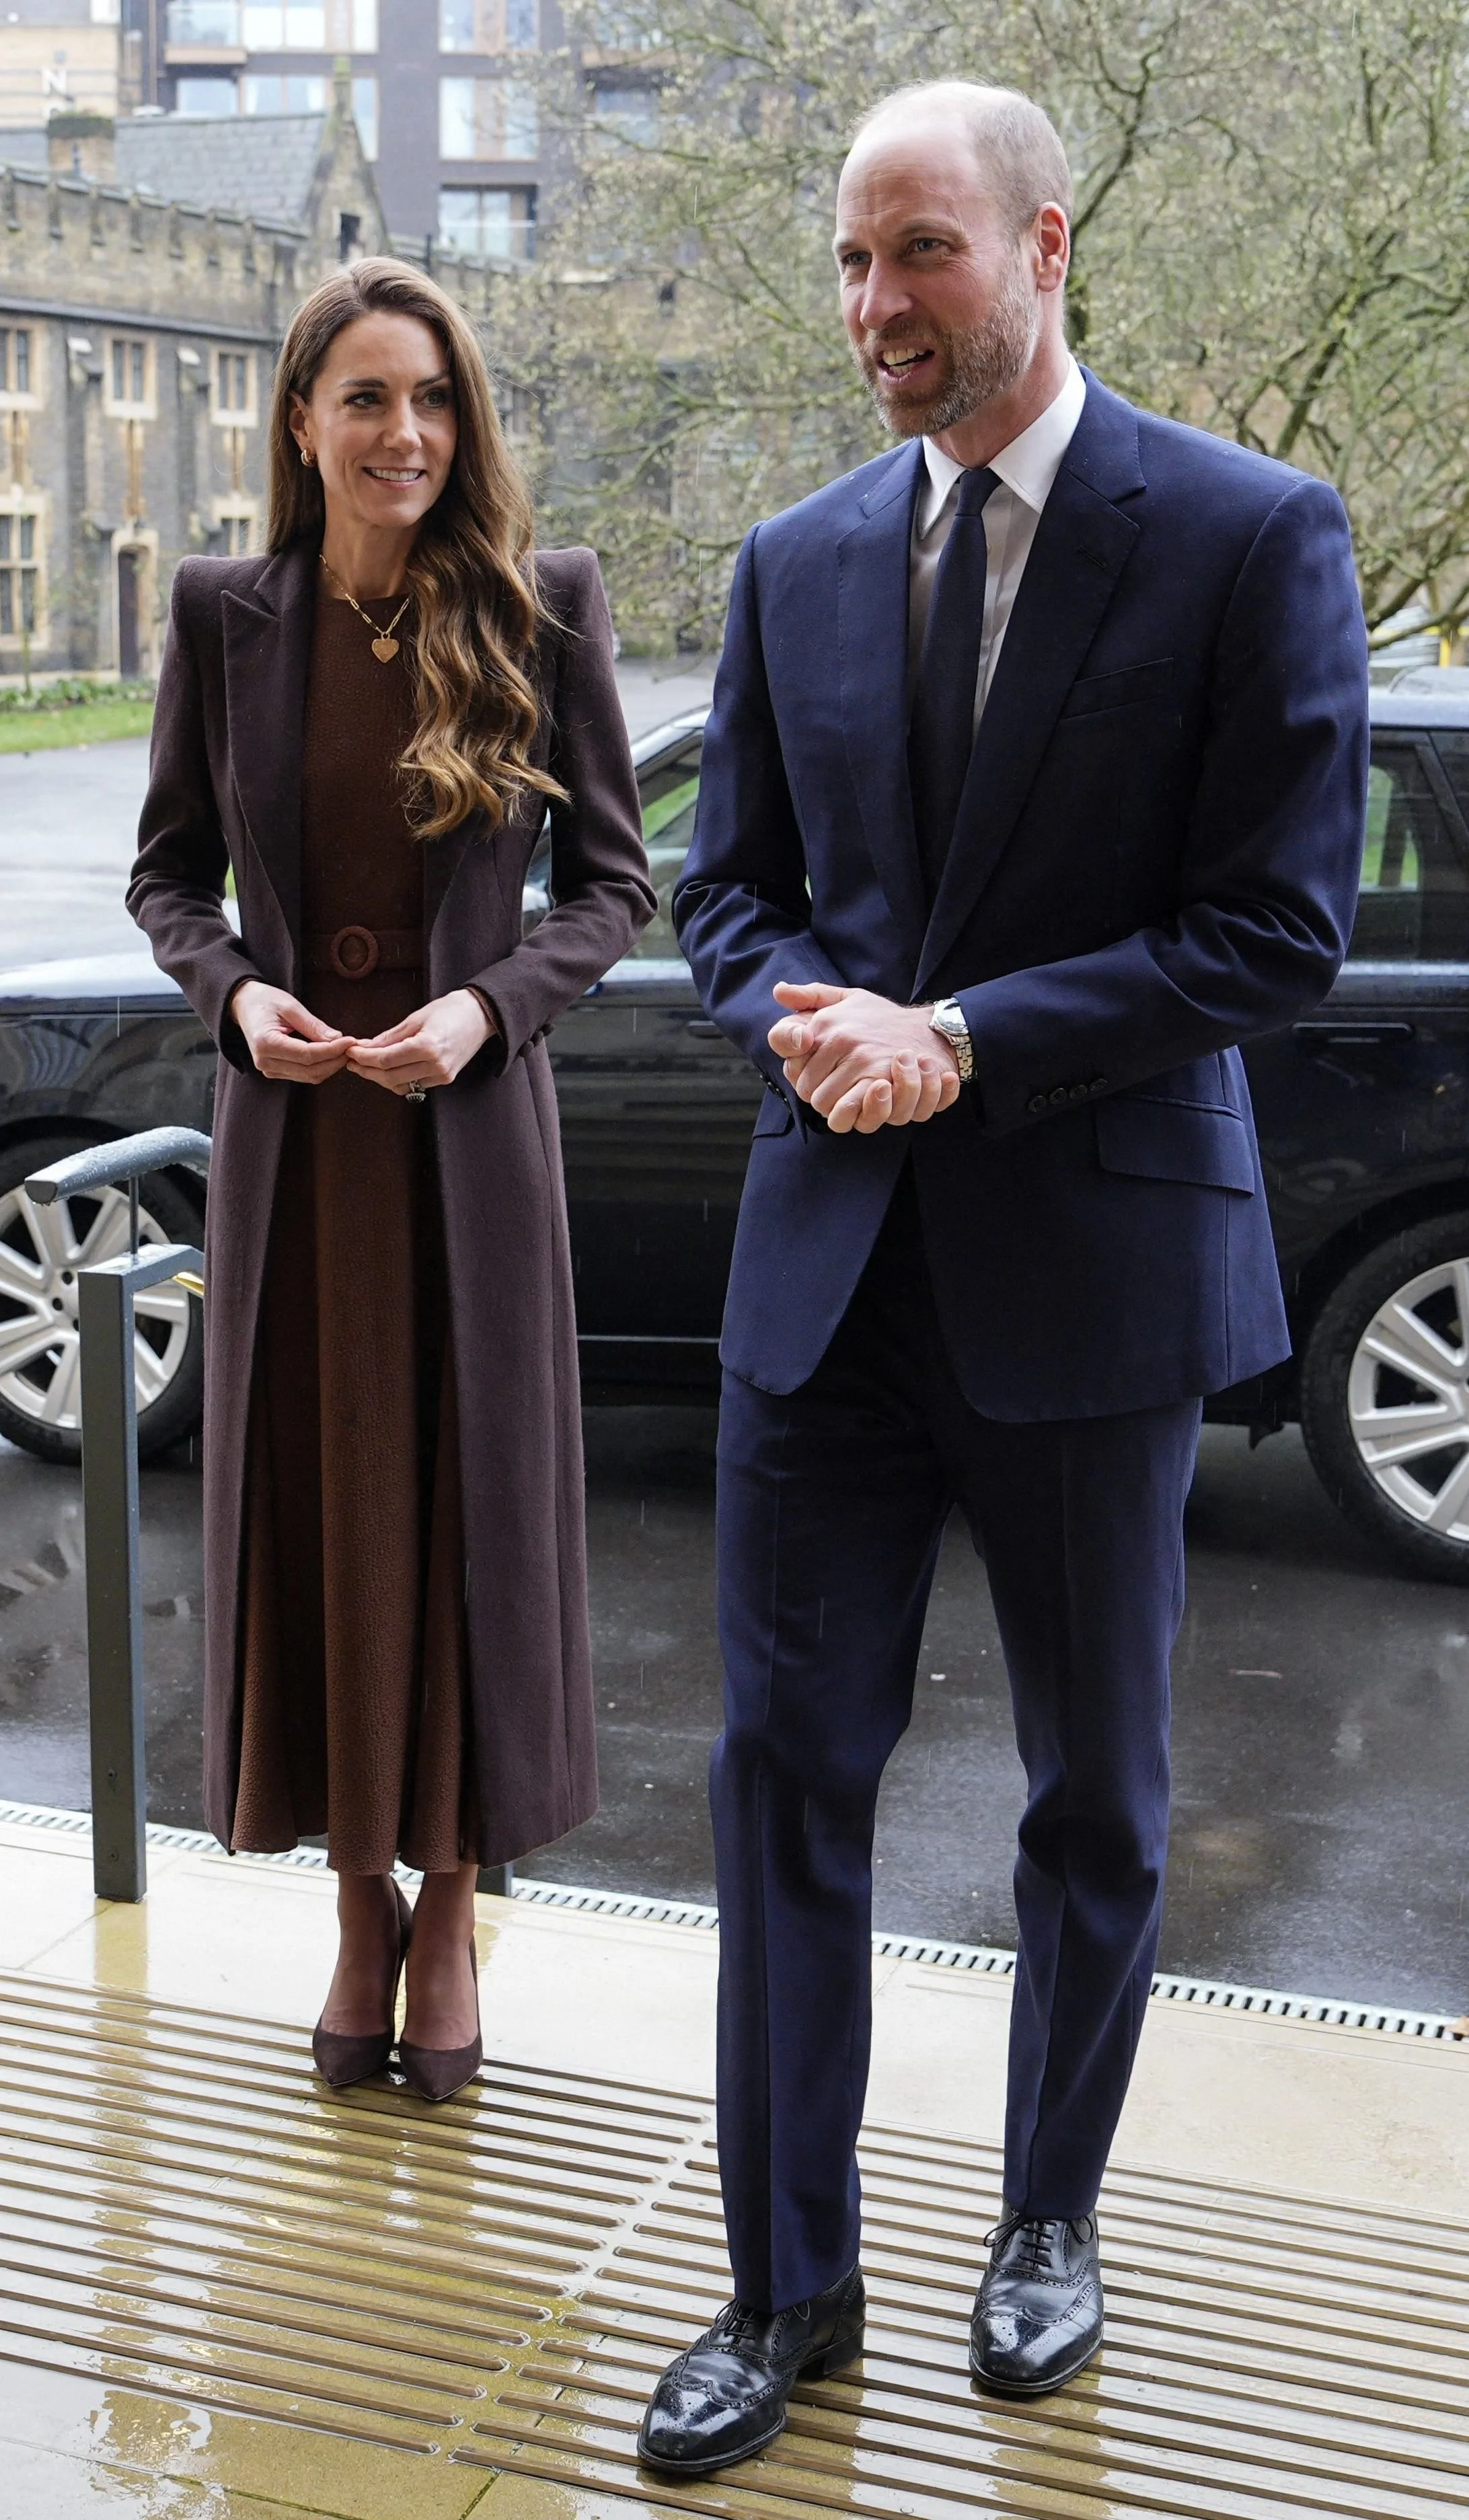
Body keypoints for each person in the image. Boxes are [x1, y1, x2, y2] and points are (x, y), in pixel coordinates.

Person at [638, 79, 1367, 2470]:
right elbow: (722, 891)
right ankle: (784, 2288)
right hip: (822, 1283)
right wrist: (810, 1030)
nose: (874, 311)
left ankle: (1048, 2222)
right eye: (851, 266)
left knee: (1097, 1801)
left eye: (919, 257)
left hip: (1096, 1279)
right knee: (778, 1785)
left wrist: (967, 1041)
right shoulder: (797, 557)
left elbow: (1280, 930)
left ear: (1047, 245)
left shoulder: (1251, 535)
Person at [128, 259, 654, 2102]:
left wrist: (488, 1016)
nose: (402, 432)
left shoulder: (540, 605)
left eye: (431, 399)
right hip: (298, 1147)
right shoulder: (223, 615)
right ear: (301, 423)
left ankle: (449, 1909)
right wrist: (238, 993)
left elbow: (614, 888)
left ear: (464, 422)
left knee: (463, 1521)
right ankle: (354, 1900)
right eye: (364, 397)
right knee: (324, 1522)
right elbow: (168, 876)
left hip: (463, 1152)